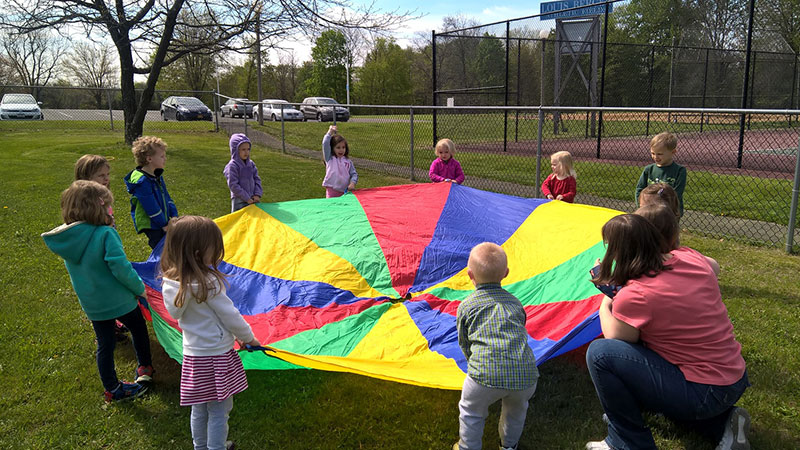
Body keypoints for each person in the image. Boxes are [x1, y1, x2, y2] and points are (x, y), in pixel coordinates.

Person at [585, 213, 749, 450]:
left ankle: (627, 441)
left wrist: (607, 301)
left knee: (601, 354)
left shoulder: (635, 295)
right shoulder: (689, 256)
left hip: (704, 390)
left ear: (619, 253)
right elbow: (712, 267)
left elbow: (617, 338)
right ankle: (723, 422)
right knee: (658, 363)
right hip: (733, 377)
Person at [42, 180, 154, 403]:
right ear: (99, 208)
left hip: (93, 304)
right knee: (138, 327)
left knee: (104, 345)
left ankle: (112, 388)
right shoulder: (105, 234)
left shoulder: (68, 239)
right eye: (108, 206)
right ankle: (145, 367)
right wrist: (140, 290)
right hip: (119, 300)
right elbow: (121, 269)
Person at [160, 215, 260, 450]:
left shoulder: (171, 284)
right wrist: (249, 338)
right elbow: (230, 315)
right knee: (219, 411)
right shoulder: (209, 283)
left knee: (199, 408)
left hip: (194, 357)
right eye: (213, 248)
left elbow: (179, 315)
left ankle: (200, 447)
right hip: (217, 356)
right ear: (198, 253)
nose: (217, 254)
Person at [454, 242, 539, 450]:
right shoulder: (515, 303)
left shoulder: (466, 305)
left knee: (471, 411)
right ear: (506, 273)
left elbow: (464, 342)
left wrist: (474, 364)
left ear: (469, 275)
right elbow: (520, 330)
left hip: (484, 375)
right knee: (516, 412)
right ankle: (509, 446)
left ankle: (468, 447)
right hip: (525, 375)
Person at [75, 154, 129, 341]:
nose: (106, 179)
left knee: (112, 284)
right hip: (95, 253)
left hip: (108, 245)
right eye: (101, 176)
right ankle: (106, 329)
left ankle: (114, 320)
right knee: (101, 287)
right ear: (85, 179)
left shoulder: (102, 197)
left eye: (107, 174)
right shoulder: (84, 204)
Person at [124, 136, 179, 249]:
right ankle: (158, 265)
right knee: (161, 248)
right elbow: (150, 207)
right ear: (149, 159)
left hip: (161, 221)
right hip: (151, 223)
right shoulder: (142, 182)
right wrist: (164, 224)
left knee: (170, 246)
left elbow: (167, 197)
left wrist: (174, 216)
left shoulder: (157, 175)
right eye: (162, 156)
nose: (165, 159)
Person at [635, 131, 687, 216]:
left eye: (659, 154)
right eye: (653, 153)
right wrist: (641, 206)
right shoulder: (649, 169)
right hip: (649, 211)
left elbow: (676, 194)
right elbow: (640, 189)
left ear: (673, 152)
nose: (655, 157)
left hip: (670, 213)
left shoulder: (680, 171)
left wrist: (663, 210)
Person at [223, 133, 262, 213]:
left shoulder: (251, 164)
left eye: (248, 149)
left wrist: (257, 194)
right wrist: (246, 198)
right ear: (235, 150)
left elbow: (257, 179)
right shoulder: (232, 166)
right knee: (239, 221)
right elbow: (233, 185)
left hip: (253, 198)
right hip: (239, 200)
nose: (246, 152)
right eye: (243, 150)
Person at [321, 125, 358, 198]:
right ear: (332, 148)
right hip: (331, 191)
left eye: (343, 147)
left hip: (345, 192)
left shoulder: (348, 162)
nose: (341, 150)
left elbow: (354, 174)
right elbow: (325, 143)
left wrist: (352, 183)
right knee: (332, 208)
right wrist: (330, 131)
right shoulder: (330, 159)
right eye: (338, 147)